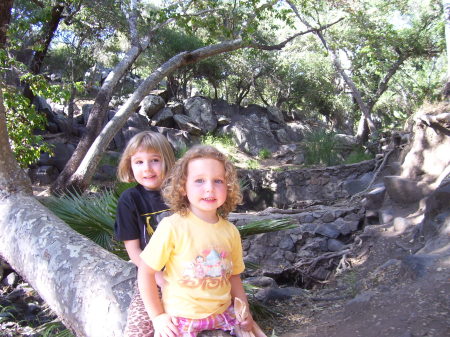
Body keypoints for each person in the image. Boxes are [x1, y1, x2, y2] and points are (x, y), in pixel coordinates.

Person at [138, 145, 255, 337]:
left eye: (218, 181)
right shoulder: (172, 227)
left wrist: (245, 311)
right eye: (199, 181)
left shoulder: (230, 231)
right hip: (182, 319)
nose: (209, 188)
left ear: (228, 187)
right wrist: (157, 316)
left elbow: (234, 276)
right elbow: (145, 271)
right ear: (183, 187)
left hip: (224, 315)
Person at [115, 131, 176, 337]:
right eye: (139, 162)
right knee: (138, 329)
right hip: (150, 272)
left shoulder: (182, 192)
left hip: (189, 270)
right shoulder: (130, 199)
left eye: (155, 160)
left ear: (167, 161)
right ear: (129, 166)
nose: (147, 168)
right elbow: (133, 250)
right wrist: (158, 277)